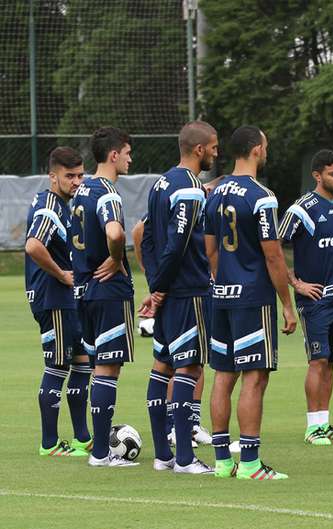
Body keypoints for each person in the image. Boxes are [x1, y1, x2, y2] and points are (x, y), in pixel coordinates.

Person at [205, 126, 297, 480]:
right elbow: (273, 256)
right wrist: (287, 304)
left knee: (223, 377)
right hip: (253, 299)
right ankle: (250, 463)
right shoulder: (262, 196)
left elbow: (209, 249)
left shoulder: (215, 193)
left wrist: (223, 280)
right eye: (267, 145)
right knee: (254, 378)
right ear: (257, 150)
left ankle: (222, 461)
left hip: (222, 295)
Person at [139, 120, 219, 474]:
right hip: (187, 291)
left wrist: (155, 285)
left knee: (162, 367)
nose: (217, 152)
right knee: (189, 367)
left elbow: (146, 237)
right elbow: (178, 243)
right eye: (214, 146)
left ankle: (162, 455)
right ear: (199, 149)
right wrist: (162, 287)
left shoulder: (161, 183)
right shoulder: (187, 188)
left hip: (169, 290)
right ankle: (185, 458)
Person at [279, 149, 333, 445]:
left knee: (332, 361)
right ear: (317, 175)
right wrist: (296, 283)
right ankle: (312, 428)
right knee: (318, 360)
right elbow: (274, 246)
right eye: (332, 174)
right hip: (316, 301)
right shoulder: (302, 209)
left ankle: (324, 422)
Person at [71, 127, 137, 467]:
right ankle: (100, 452)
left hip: (82, 290)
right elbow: (114, 231)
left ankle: (99, 448)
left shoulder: (81, 191)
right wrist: (115, 257)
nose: (130, 158)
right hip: (108, 290)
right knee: (107, 370)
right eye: (127, 152)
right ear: (113, 155)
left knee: (99, 367)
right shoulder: (107, 193)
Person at [25, 146, 91, 457]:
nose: (77, 181)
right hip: (53, 298)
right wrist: (63, 275)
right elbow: (33, 245)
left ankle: (82, 438)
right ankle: (49, 443)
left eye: (80, 175)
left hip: (65, 299)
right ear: (53, 177)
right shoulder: (49, 206)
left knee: (82, 363)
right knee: (59, 365)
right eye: (70, 176)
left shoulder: (65, 204)